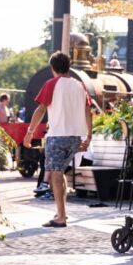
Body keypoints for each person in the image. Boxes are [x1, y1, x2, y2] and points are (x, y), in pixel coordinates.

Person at [23, 52, 92, 228]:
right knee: (60, 172)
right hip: (75, 137)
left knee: (55, 173)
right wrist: (89, 136)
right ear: (68, 66)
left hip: (57, 135)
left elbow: (40, 109)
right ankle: (61, 212)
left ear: (53, 68)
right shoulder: (79, 85)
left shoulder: (52, 84)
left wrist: (30, 132)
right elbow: (87, 111)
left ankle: (61, 216)